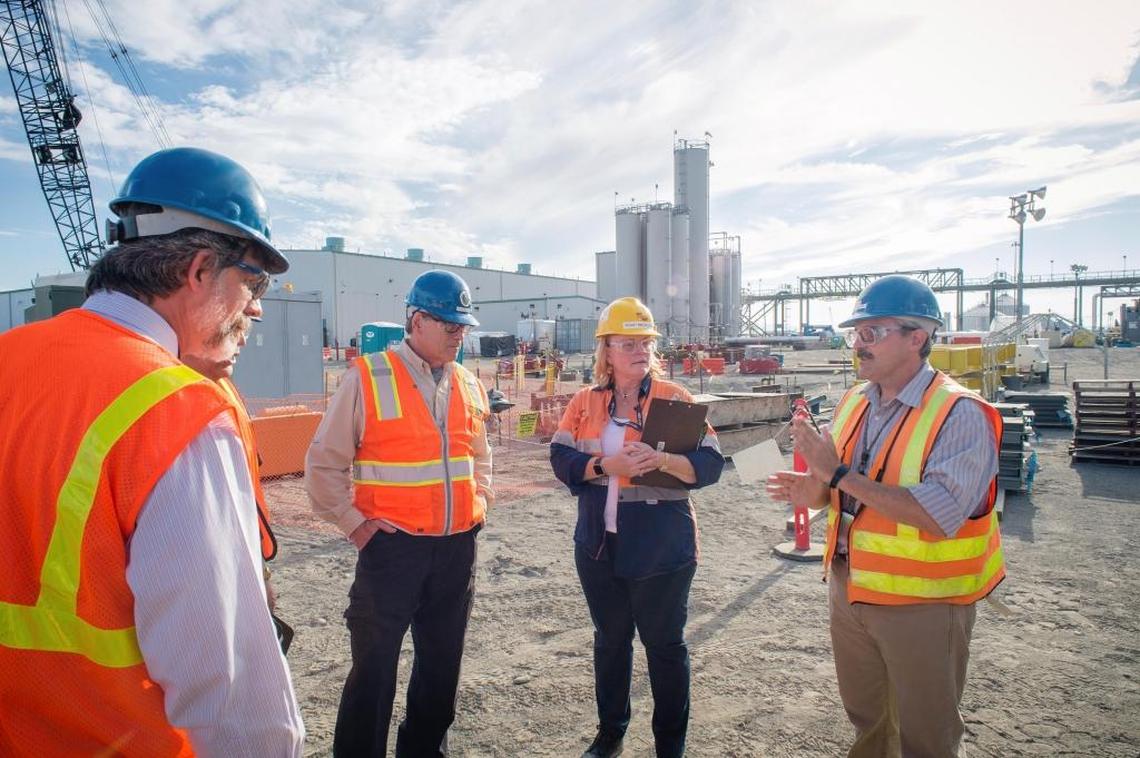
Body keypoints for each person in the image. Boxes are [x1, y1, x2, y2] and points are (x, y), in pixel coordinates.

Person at [0, 147, 305, 754]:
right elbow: (229, 693)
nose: (258, 307)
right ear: (197, 271)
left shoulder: (13, 357)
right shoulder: (176, 413)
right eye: (252, 280)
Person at [767, 275, 1005, 758]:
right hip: (849, 587)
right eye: (855, 334)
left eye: (871, 333)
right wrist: (810, 486)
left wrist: (835, 475)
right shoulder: (856, 401)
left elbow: (939, 515)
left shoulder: (960, 414)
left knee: (927, 734)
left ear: (917, 338)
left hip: (924, 604)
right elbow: (829, 493)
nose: (858, 345)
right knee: (869, 723)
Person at [305, 269, 492, 757]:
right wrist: (355, 525)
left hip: (456, 549)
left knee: (440, 668)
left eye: (463, 326)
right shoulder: (368, 377)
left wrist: (483, 499)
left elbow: (480, 452)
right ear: (416, 320)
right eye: (450, 325)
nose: (459, 334)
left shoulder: (468, 383)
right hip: (392, 550)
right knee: (373, 672)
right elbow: (324, 463)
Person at [550, 296, 725, 758]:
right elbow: (560, 457)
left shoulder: (677, 400)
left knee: (664, 648)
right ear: (606, 350)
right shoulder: (585, 402)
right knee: (610, 643)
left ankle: (670, 746)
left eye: (645, 343)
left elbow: (710, 465)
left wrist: (665, 459)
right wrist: (604, 464)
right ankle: (611, 733)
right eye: (628, 343)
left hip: (662, 550)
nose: (639, 351)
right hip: (598, 547)